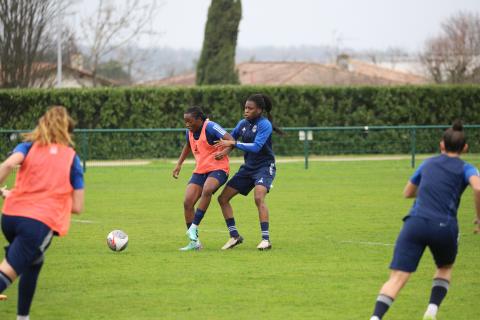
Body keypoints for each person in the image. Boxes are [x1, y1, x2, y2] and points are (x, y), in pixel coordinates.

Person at [369, 121, 480, 320]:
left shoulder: (428, 163)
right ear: (465, 148)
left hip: (415, 223)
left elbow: (407, 192)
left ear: (442, 145)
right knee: (444, 268)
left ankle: (375, 318)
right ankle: (432, 309)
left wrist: (430, 189)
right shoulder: (467, 168)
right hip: (444, 227)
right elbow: (478, 187)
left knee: (397, 278)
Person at [0, 106, 85, 320]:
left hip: (10, 217)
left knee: (35, 260)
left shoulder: (27, 146)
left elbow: (9, 164)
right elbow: (77, 206)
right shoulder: (71, 158)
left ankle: (23, 317)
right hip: (37, 223)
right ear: (67, 131)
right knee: (8, 272)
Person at [215, 93, 282, 250]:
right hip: (248, 168)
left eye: (250, 108)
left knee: (259, 197)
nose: (246, 111)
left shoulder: (265, 125)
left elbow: (256, 146)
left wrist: (233, 143)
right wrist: (223, 152)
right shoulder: (242, 123)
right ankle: (234, 236)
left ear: (259, 110)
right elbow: (231, 140)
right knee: (223, 198)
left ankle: (266, 240)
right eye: (245, 107)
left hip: (264, 167)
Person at [172, 106, 234, 251]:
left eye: (190, 122)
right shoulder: (190, 132)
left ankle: (193, 227)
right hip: (200, 171)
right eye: (185, 122)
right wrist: (179, 164)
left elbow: (231, 141)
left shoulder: (211, 127)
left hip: (219, 169)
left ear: (199, 120)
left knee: (208, 189)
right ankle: (195, 243)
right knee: (187, 202)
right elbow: (188, 145)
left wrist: (224, 152)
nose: (187, 125)